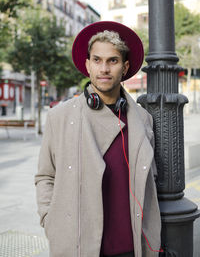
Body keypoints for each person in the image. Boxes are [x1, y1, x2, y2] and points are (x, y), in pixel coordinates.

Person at [35, 21, 162, 257]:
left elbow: (151, 180)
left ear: (124, 67)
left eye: (112, 61)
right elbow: (45, 175)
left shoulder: (143, 119)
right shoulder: (59, 117)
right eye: (97, 60)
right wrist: (49, 218)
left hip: (132, 247)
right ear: (87, 65)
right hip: (78, 246)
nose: (103, 68)